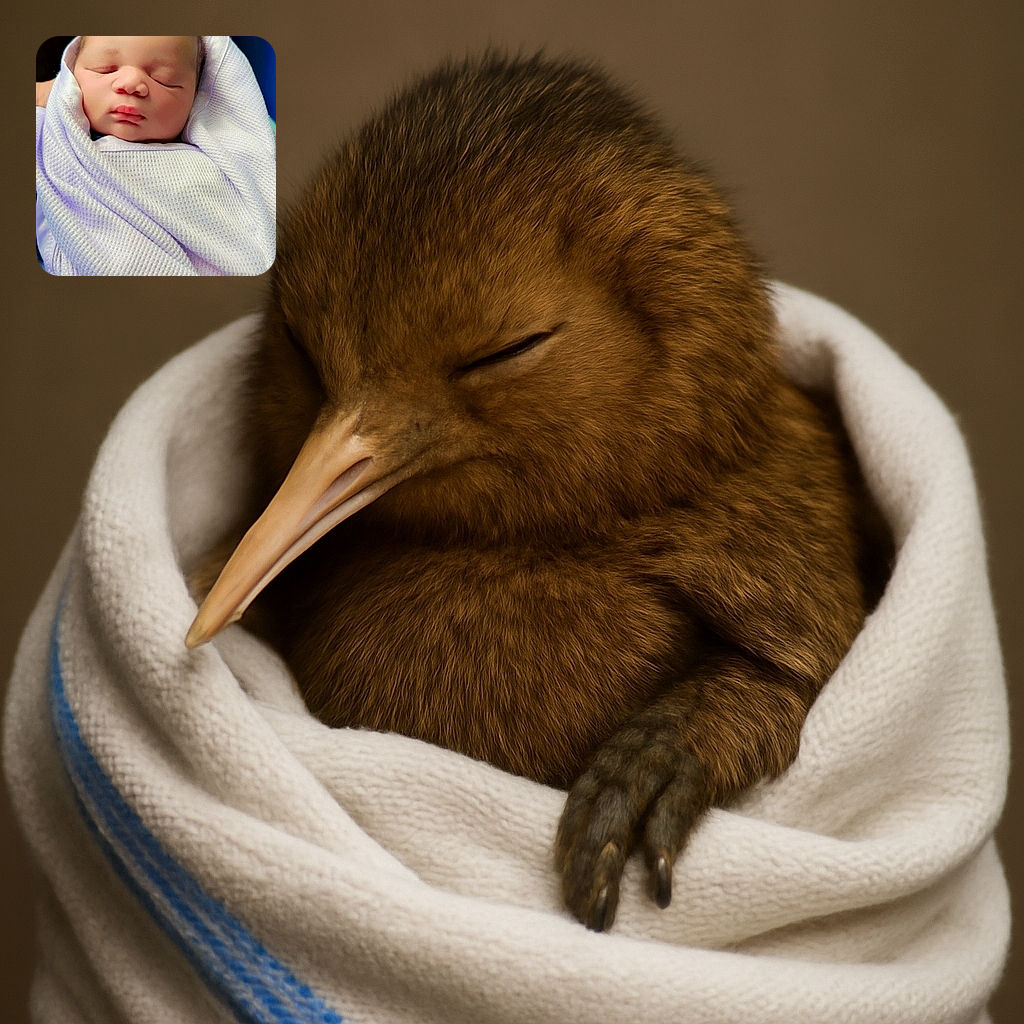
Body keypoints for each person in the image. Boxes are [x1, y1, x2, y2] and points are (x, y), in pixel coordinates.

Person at [35, 35, 276, 276]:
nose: (131, 84)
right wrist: (53, 97)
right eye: (105, 69)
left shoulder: (227, 159)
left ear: (197, 95)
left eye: (164, 79)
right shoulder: (52, 137)